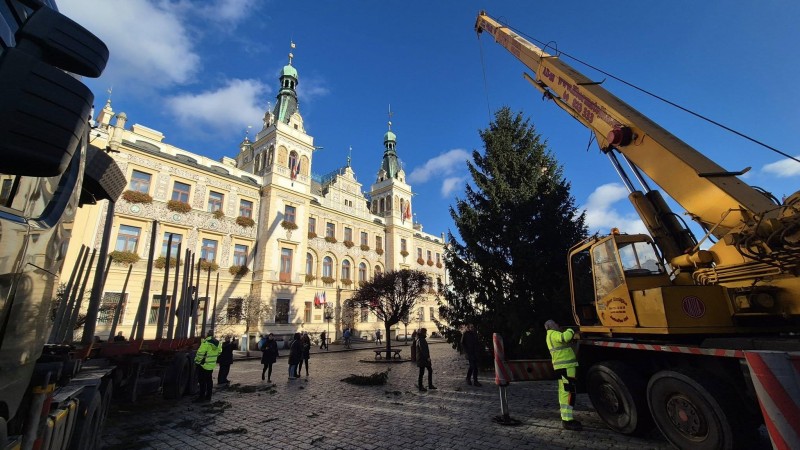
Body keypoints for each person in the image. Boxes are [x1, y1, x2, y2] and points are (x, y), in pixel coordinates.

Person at [545, 319, 582, 431]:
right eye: (556, 324)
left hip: (562, 367)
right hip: (566, 367)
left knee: (564, 392)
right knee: (568, 392)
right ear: (552, 326)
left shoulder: (550, 335)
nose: (558, 325)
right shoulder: (554, 334)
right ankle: (567, 420)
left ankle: (566, 418)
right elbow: (564, 337)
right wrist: (572, 329)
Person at [193, 330, 221, 402]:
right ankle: (208, 396)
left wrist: (197, 362)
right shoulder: (218, 343)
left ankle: (201, 397)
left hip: (203, 365)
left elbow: (200, 353)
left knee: (202, 382)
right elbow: (219, 352)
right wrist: (212, 358)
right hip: (211, 365)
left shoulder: (206, 342)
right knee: (209, 381)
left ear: (207, 335)